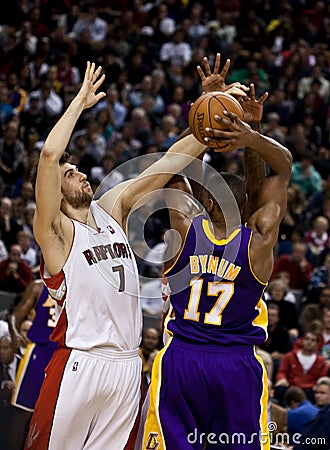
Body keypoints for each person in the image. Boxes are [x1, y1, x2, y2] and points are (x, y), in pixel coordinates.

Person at [24, 61, 207, 450]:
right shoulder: (54, 233)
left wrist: (212, 113)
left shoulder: (113, 212)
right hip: (80, 362)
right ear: (56, 189)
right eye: (72, 172)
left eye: (78, 169)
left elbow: (168, 163)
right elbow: (48, 157)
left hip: (127, 365)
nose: (83, 174)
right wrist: (79, 102)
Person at [142, 61, 292, 449]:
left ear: (206, 198)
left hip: (182, 360)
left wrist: (209, 106)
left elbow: (171, 165)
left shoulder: (185, 224)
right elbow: (283, 168)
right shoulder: (259, 238)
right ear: (247, 204)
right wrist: (248, 133)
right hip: (236, 365)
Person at [7, 279, 58, 450]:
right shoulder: (38, 286)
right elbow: (15, 315)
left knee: (54, 420)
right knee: (23, 412)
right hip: (39, 353)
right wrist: (15, 334)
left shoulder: (77, 285)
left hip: (64, 355)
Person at [293, 376, 330, 450]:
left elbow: (318, 442)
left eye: (322, 393)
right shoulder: (322, 412)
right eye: (316, 392)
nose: (317, 396)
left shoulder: (327, 414)